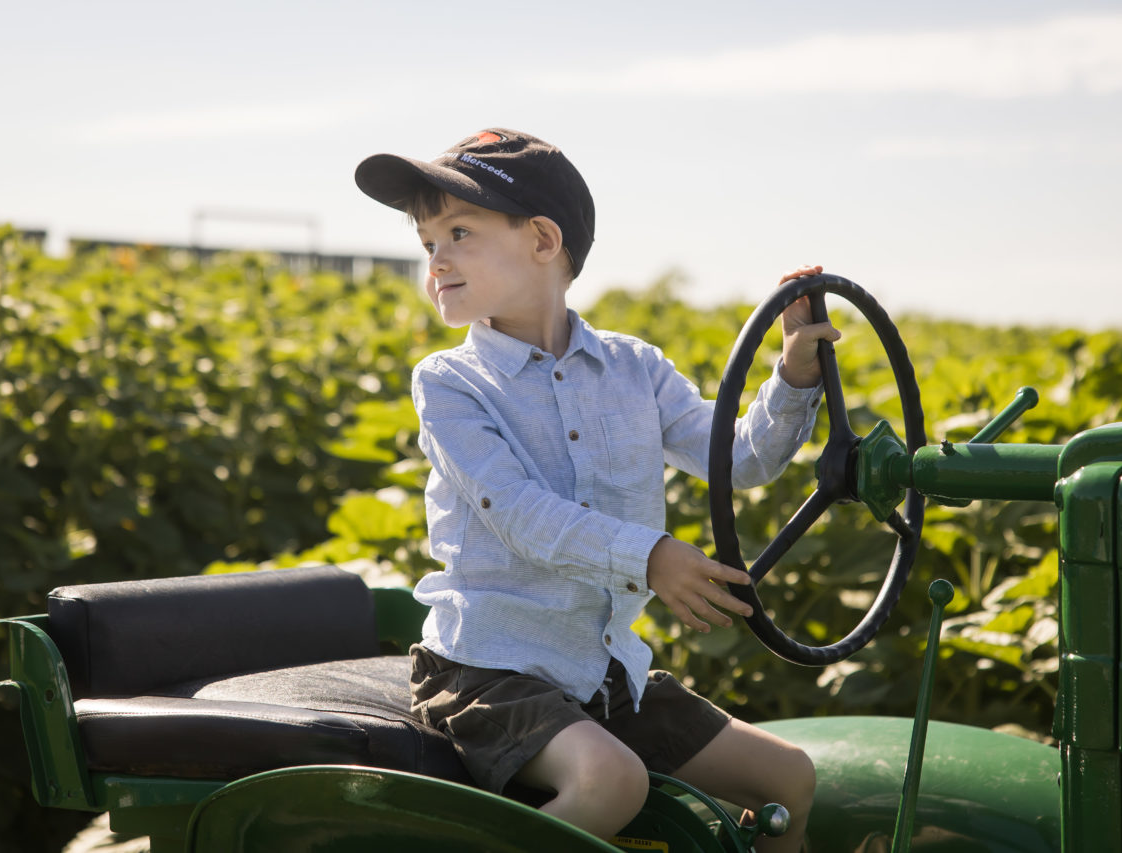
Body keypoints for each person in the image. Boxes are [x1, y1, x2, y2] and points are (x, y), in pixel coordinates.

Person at [355, 128, 837, 851]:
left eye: (459, 233)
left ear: (544, 240)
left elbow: (739, 458)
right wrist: (650, 557)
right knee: (611, 781)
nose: (437, 261)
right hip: (489, 670)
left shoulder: (632, 368)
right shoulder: (451, 384)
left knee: (791, 779)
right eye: (428, 244)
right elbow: (519, 513)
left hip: (602, 673)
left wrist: (795, 371)